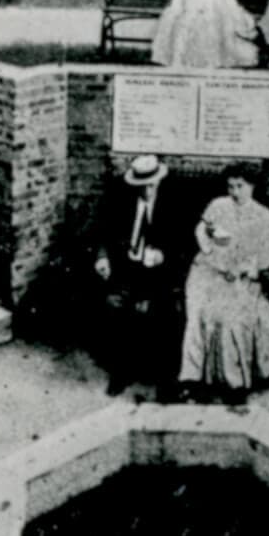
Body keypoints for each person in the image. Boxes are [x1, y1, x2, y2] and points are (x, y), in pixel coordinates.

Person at [178, 165, 269, 403]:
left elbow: (267, 256)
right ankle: (191, 377)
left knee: (230, 317)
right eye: (231, 186)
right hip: (208, 270)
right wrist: (208, 249)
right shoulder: (218, 206)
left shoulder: (265, 217)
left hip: (240, 276)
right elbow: (202, 229)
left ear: (252, 186)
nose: (235, 192)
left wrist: (243, 269)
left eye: (240, 186)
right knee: (197, 313)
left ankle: (233, 381)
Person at [92, 154, 192, 396]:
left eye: (151, 185)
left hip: (160, 276)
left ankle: (166, 380)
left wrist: (163, 256)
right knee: (115, 307)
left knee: (161, 314)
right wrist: (102, 257)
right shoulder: (121, 200)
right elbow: (102, 231)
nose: (147, 190)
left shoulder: (174, 205)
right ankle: (121, 371)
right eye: (141, 186)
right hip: (126, 271)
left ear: (158, 182)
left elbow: (186, 245)